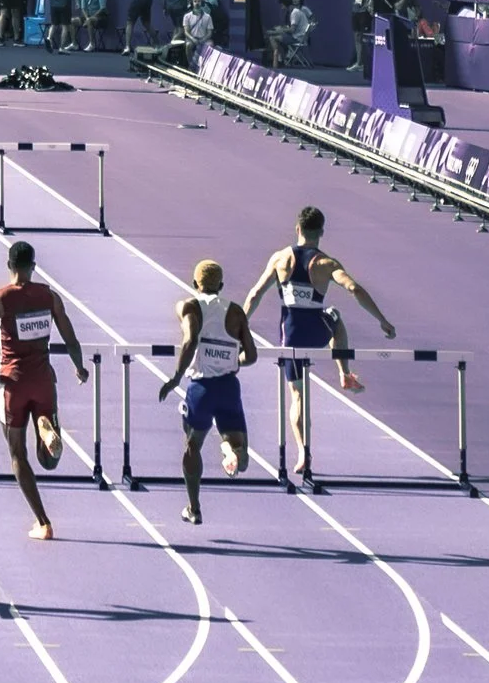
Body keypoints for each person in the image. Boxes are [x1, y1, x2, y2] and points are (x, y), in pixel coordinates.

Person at [0, 239, 89, 544]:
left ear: (9, 266)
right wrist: (80, 367)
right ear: (33, 266)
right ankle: (45, 430)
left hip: (14, 384)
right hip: (44, 380)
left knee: (18, 454)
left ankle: (43, 522)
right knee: (48, 461)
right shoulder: (49, 297)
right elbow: (71, 339)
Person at [244, 206, 395, 461]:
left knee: (298, 396)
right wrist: (382, 320)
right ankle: (344, 373)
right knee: (335, 317)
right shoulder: (326, 263)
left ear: (297, 229)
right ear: (321, 232)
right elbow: (354, 288)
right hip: (317, 332)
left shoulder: (280, 259)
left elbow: (255, 295)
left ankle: (303, 451)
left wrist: (240, 329)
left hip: (289, 338)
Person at [152, 258, 258, 525]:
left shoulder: (187, 306)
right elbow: (252, 355)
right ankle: (231, 451)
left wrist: (176, 377)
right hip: (229, 389)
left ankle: (194, 508)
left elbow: (190, 340)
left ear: (193, 283)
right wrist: (232, 360)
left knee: (192, 445)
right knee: (240, 458)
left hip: (201, 389)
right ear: (221, 285)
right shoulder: (236, 312)